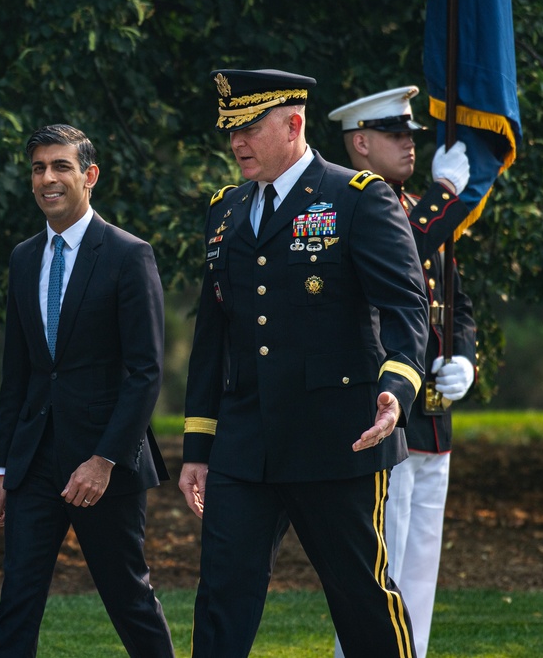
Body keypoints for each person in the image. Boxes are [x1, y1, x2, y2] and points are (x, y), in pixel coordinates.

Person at [179, 68, 429, 658]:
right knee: (221, 595)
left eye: (249, 128)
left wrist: (397, 388)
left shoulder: (358, 198)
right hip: (245, 444)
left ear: (294, 124)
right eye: (231, 130)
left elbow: (406, 308)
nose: (237, 142)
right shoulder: (225, 210)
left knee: (360, 597)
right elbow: (212, 335)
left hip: (338, 437)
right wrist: (197, 447)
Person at [0, 124, 174, 658]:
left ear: (89, 176)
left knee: (128, 597)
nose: (47, 178)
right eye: (38, 168)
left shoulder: (127, 255)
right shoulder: (24, 258)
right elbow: (17, 375)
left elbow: (145, 372)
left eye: (60, 166)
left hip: (103, 465)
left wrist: (104, 460)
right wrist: (4, 469)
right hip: (34, 465)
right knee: (16, 603)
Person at [328, 86, 477, 658]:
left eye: (411, 136)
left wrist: (463, 353)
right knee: (377, 564)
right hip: (384, 412)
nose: (409, 146)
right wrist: (445, 197)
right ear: (361, 143)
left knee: (420, 567)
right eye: (395, 136)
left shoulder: (419, 208)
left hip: (431, 419)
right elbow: (406, 250)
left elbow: (453, 300)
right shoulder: (350, 205)